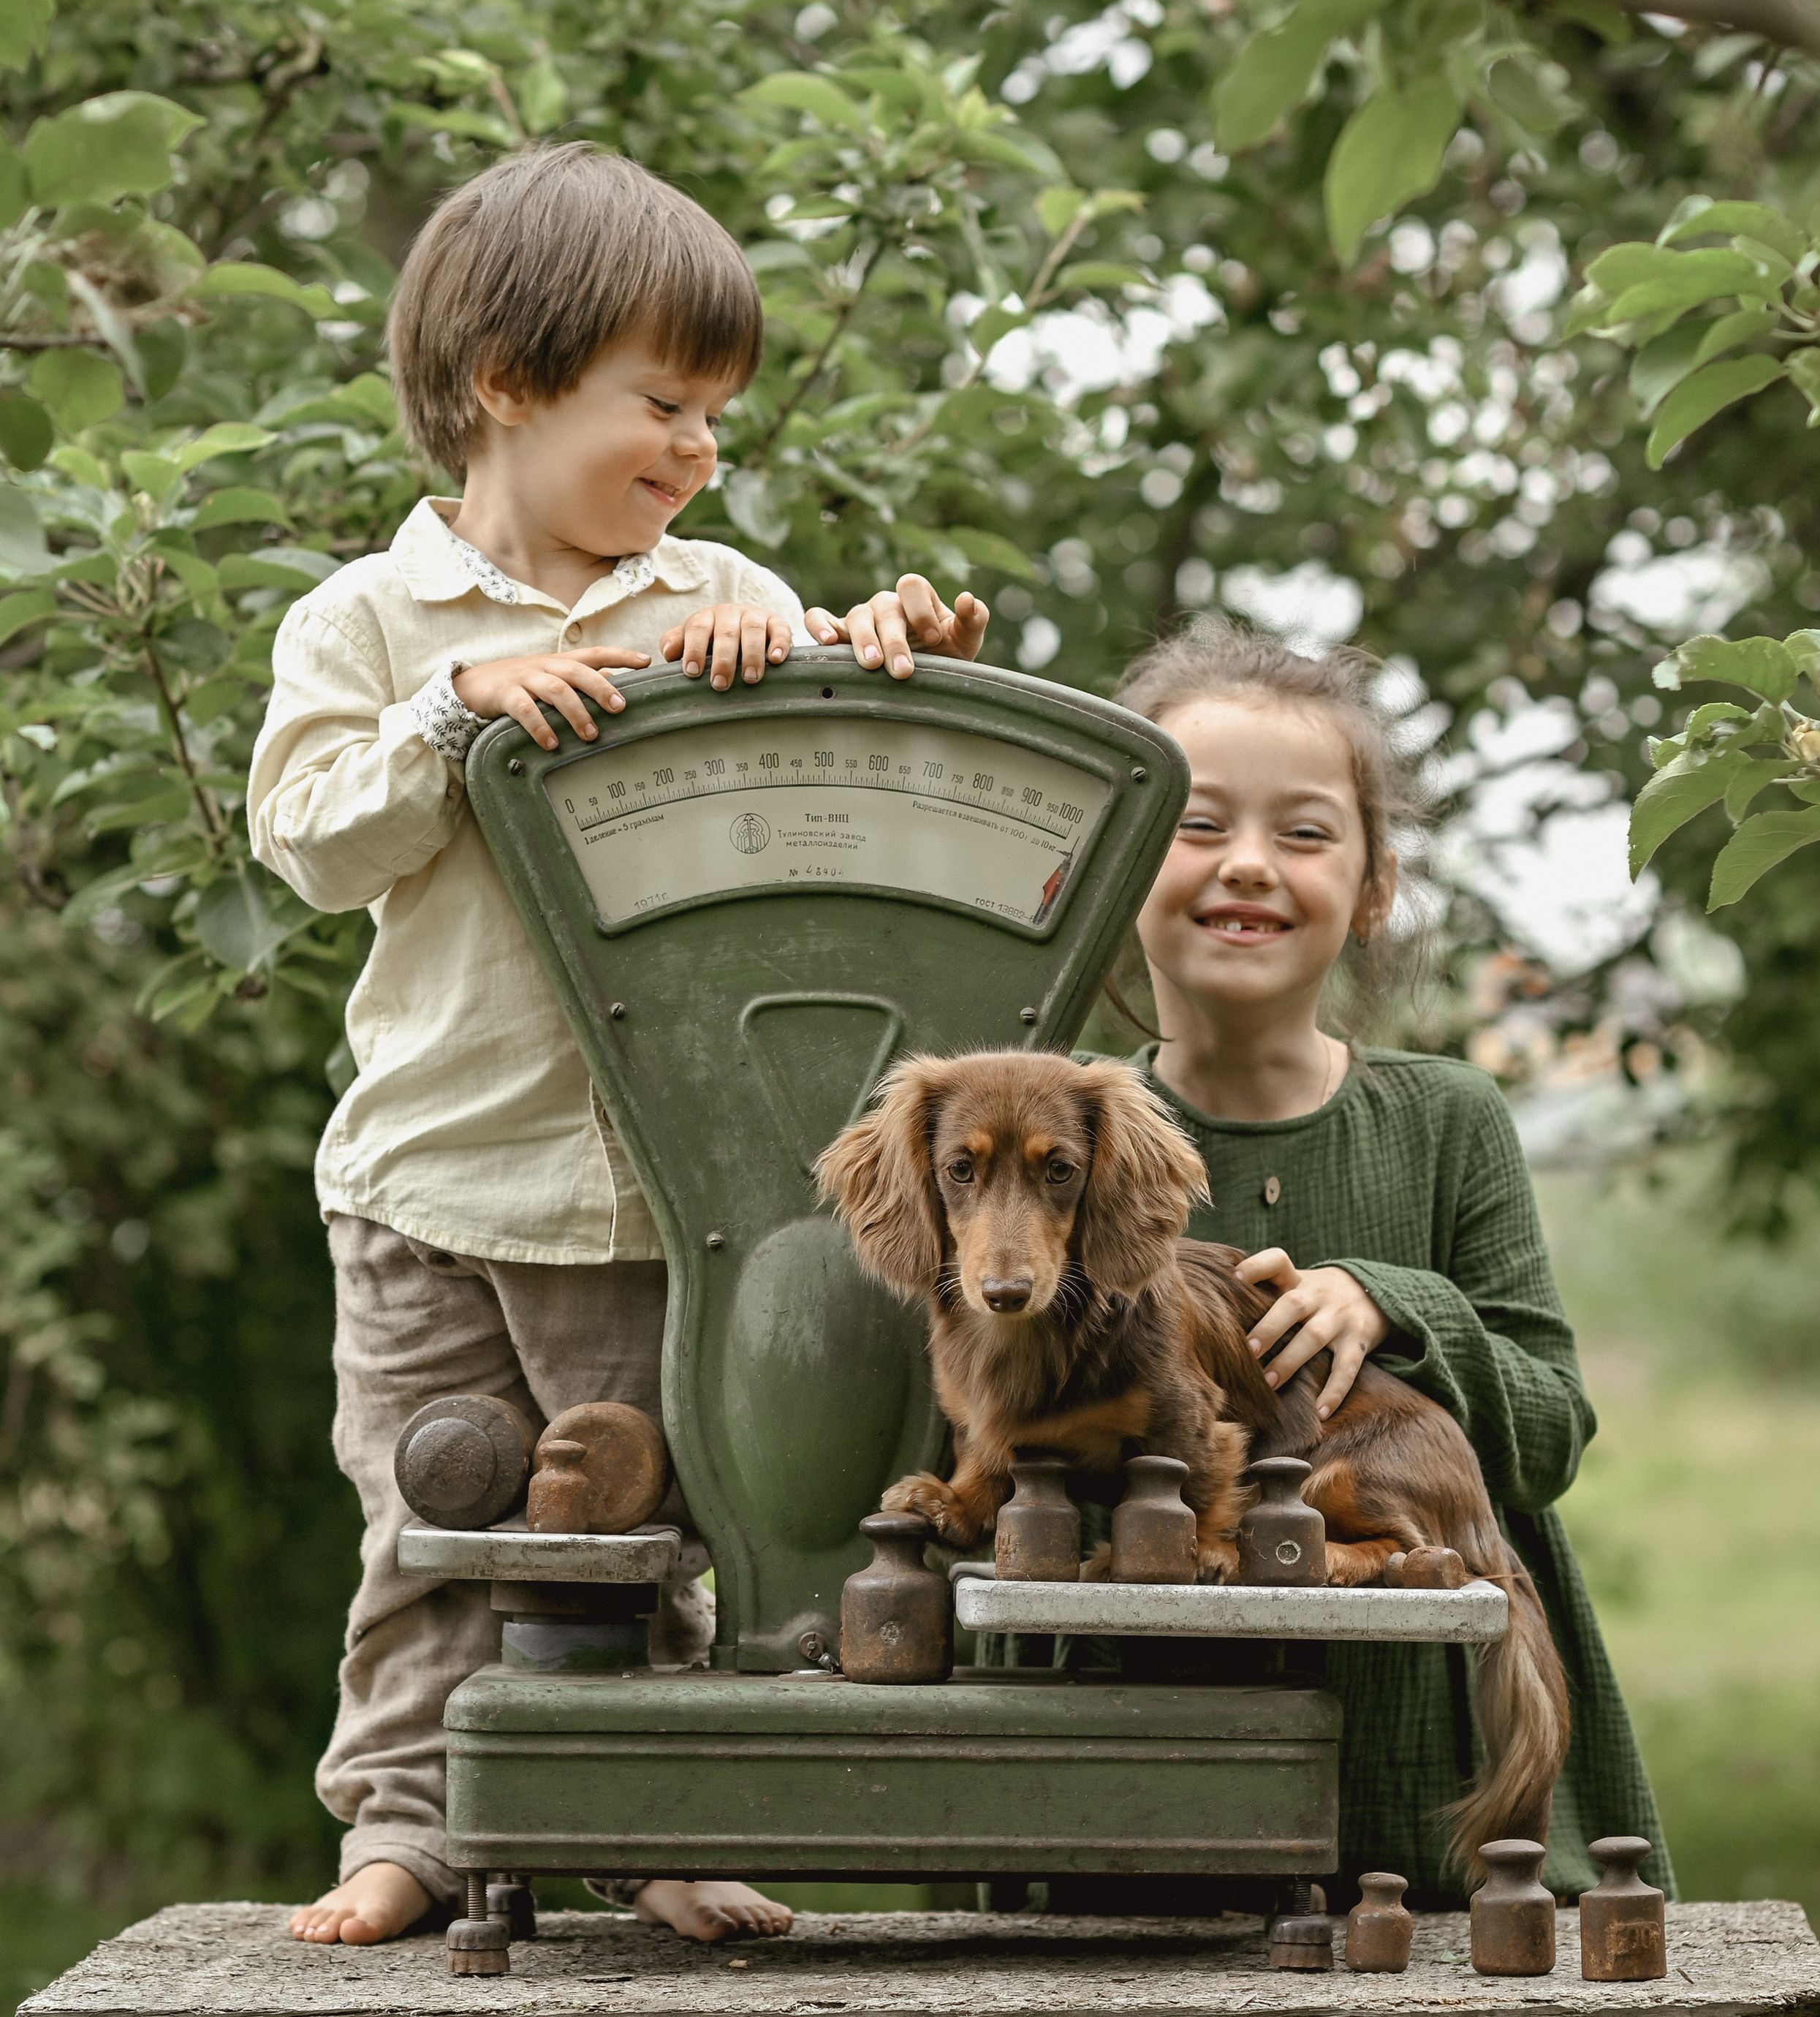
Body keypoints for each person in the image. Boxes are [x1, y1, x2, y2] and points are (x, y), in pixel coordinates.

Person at [247, 143, 990, 1951]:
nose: (695, 455)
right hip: (427, 1177)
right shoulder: (367, 623)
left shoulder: (714, 589)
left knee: (643, 1524)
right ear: (505, 385)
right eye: (661, 403)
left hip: (665, 1193)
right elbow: (311, 837)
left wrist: (871, 648)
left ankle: (640, 1823)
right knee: (431, 1527)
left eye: (716, 419)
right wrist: (449, 715)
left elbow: (853, 796)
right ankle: (408, 1832)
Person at [1104, 613, 1670, 1909]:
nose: (1248, 864)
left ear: (1371, 892)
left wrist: (1398, 1306)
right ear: (1110, 862)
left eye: (1303, 833)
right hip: (1149, 1775)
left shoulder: (1447, 1120)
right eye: (1196, 825)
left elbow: (1546, 1438)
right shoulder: (1061, 1139)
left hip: (1443, 1777)